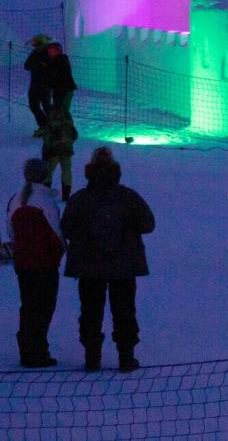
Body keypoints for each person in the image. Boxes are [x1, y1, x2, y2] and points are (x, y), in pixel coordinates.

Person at [61, 147, 155, 371]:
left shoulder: (80, 199)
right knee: (124, 311)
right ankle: (126, 357)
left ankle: (92, 358)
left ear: (89, 170)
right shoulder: (127, 197)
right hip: (123, 266)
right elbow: (148, 224)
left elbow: (65, 228)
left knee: (91, 312)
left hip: (89, 266)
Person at [7, 159, 63, 368]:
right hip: (46, 263)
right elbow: (56, 233)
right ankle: (38, 350)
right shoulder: (47, 201)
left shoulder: (16, 200)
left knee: (28, 305)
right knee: (44, 307)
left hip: (23, 262)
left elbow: (11, 231)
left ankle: (27, 349)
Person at [41, 107, 78, 202]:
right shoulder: (67, 118)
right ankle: (66, 195)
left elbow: (47, 137)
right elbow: (75, 135)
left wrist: (46, 150)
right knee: (66, 172)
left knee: (48, 172)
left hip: (53, 151)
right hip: (67, 150)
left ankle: (46, 193)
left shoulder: (51, 121)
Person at [24, 34, 53, 136]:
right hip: (35, 84)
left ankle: (51, 128)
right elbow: (26, 65)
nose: (34, 45)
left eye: (35, 43)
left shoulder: (48, 53)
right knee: (34, 106)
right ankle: (44, 126)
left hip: (45, 85)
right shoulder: (35, 53)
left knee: (46, 107)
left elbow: (51, 67)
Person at [46, 41, 77, 114]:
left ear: (56, 50)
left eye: (50, 51)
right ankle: (65, 124)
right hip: (67, 89)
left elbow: (54, 75)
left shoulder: (58, 60)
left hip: (63, 90)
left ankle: (63, 124)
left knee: (60, 111)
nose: (49, 53)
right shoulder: (63, 58)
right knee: (63, 110)